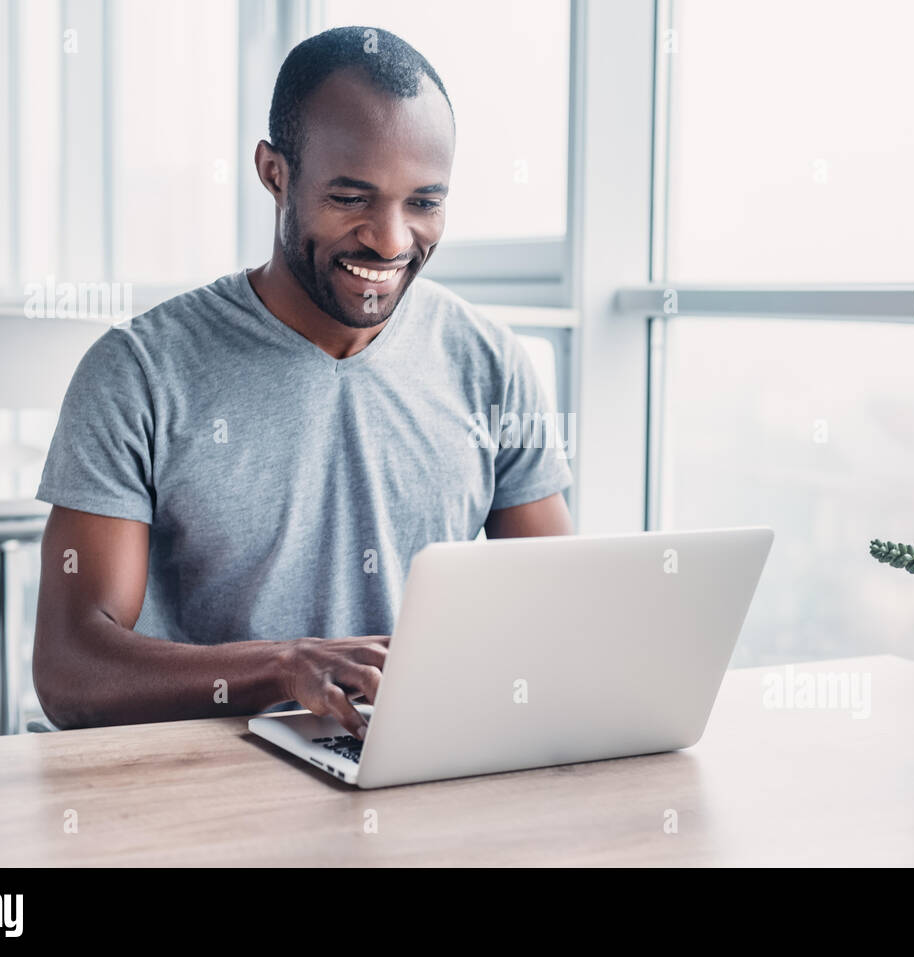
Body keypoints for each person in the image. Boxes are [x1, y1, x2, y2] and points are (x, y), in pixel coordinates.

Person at [32, 26, 574, 740]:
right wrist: (286, 668)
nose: (390, 240)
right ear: (274, 173)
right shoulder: (138, 372)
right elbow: (71, 671)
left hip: (412, 771)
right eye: (351, 198)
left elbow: (561, 620)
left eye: (423, 203)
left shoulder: (492, 364)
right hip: (206, 780)